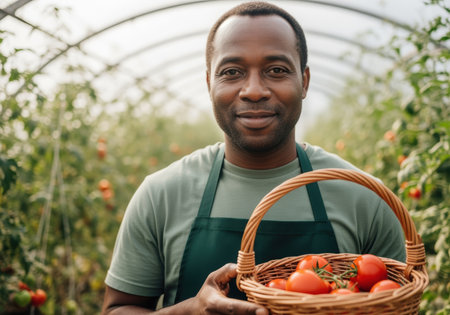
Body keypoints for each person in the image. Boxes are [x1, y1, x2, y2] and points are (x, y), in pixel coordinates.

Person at [101, 2, 406, 314]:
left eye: (276, 70)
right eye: (232, 72)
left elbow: (399, 301)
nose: (254, 90)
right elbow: (118, 309)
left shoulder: (364, 197)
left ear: (305, 81)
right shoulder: (161, 194)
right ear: (209, 84)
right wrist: (189, 311)